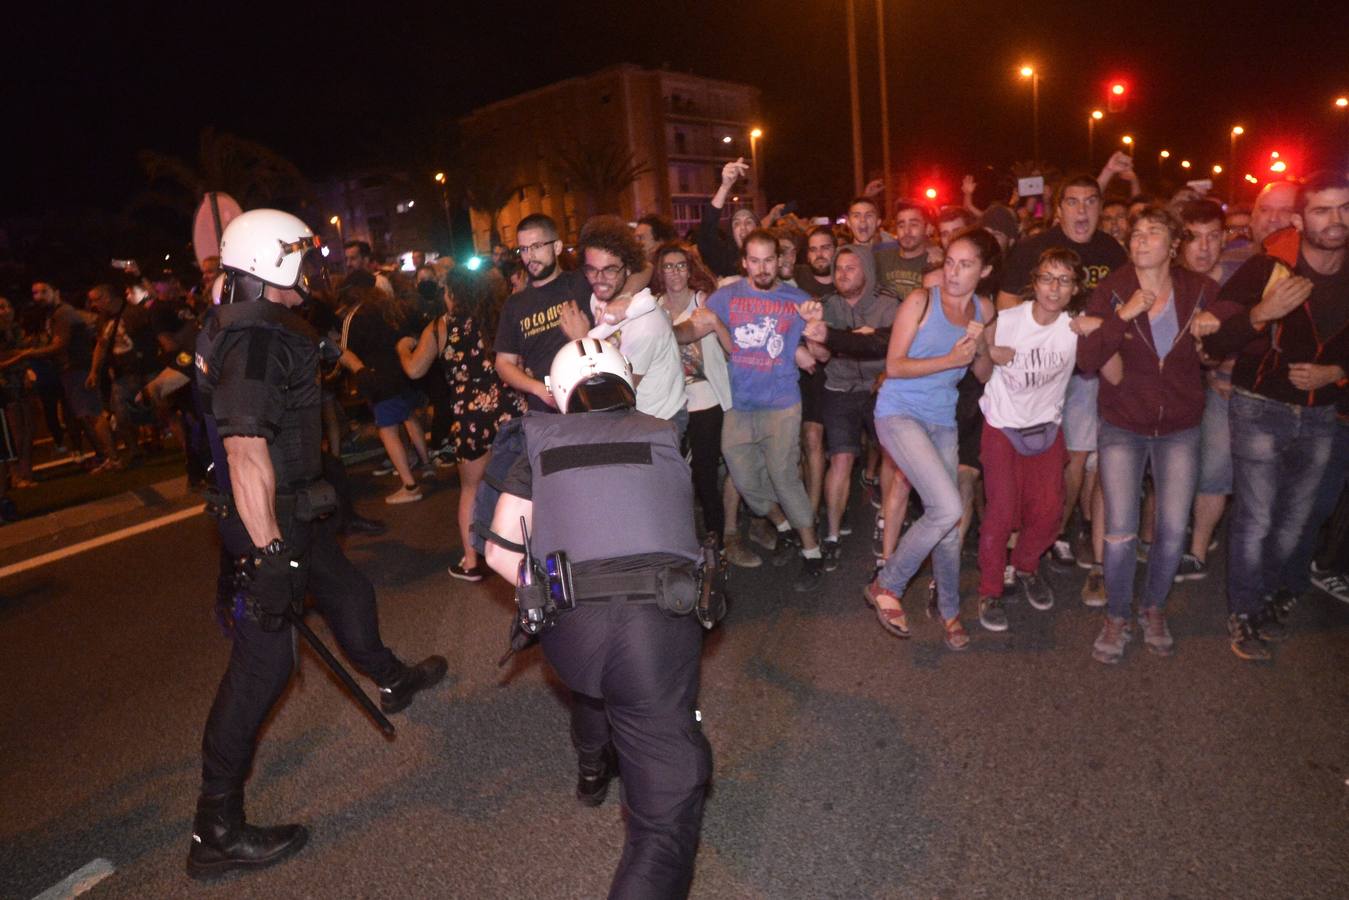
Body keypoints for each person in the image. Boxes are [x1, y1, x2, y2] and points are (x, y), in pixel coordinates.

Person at [188, 209, 445, 879]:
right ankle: (215, 826)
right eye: (298, 258)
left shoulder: (254, 330)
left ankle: (391, 679)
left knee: (348, 591)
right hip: (267, 521)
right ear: (272, 265)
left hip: (290, 516)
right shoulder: (259, 342)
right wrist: (269, 554)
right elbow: (245, 454)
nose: (310, 269)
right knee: (263, 668)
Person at [484, 338, 712, 899]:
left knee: (596, 687)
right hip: (657, 627)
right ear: (627, 385)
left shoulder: (536, 446)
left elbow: (496, 551)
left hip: (574, 632)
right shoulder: (663, 434)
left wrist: (549, 592)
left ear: (562, 395)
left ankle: (592, 766)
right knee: (663, 824)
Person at [1203, 172, 1349, 660]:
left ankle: (1268, 595)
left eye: (1344, 208)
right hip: (1259, 408)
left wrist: (1337, 372)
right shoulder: (1267, 268)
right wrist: (1260, 314)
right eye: (1323, 210)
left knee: (1295, 518)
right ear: (1298, 219)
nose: (1336, 220)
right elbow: (1214, 342)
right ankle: (1243, 612)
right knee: (1258, 516)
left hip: (1322, 414)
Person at [1077, 206, 1220, 664]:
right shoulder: (1114, 288)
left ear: (1173, 244)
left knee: (1173, 529)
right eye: (1135, 233)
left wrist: (1211, 338)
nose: (1139, 240)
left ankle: (1153, 608)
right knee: (1120, 530)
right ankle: (1117, 616)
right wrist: (1123, 316)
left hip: (1180, 426)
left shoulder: (1198, 290)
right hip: (1122, 422)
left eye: (1152, 233)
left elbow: (1229, 338)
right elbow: (1086, 359)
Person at [864, 229, 998, 650]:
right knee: (947, 506)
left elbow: (983, 375)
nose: (952, 273)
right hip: (899, 412)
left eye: (965, 265)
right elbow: (895, 366)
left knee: (947, 522)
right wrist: (950, 358)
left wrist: (978, 348)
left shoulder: (984, 308)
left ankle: (950, 609)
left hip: (942, 419)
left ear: (985, 271)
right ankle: (887, 584)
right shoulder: (920, 300)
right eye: (950, 262)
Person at [998, 174, 1130, 601]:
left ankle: (1050, 531)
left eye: (1091, 202)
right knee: (1030, 458)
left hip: (1087, 372)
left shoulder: (1112, 250)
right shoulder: (1033, 248)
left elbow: (1128, 305)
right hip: (1040, 370)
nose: (1082, 210)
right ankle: (1033, 534)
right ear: (1059, 209)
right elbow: (1004, 303)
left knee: (1076, 456)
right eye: (1072, 202)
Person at [686, 228, 826, 591]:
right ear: (744, 262)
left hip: (782, 404)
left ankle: (812, 552)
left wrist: (814, 326)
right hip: (741, 404)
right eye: (755, 260)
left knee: (784, 477)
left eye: (769, 260)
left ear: (778, 262)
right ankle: (783, 526)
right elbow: (690, 329)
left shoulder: (798, 299)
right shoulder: (726, 297)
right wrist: (655, 328)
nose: (762, 268)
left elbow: (821, 353)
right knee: (746, 480)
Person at [971, 248, 1087, 631]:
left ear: (1074, 289)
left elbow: (1113, 339)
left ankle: (1025, 566)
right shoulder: (1007, 320)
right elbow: (981, 374)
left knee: (1051, 511)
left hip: (1046, 427)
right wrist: (988, 350)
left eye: (1065, 280)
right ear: (1034, 283)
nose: (1054, 288)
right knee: (1002, 511)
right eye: (1047, 278)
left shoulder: (1074, 328)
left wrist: (1098, 326)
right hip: (1003, 425)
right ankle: (990, 589)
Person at [402, 267, 521, 580]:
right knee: (520, 482)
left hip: (471, 415)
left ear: (452, 294)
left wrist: (403, 349)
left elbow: (415, 371)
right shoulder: (498, 318)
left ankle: (471, 561)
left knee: (470, 488)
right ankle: (525, 549)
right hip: (509, 406)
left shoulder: (440, 326)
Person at [816, 246, 898, 568]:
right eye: (839, 268)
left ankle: (889, 523)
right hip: (840, 386)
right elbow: (820, 352)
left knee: (893, 458)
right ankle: (833, 534)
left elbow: (899, 344)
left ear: (866, 270)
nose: (844, 274)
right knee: (841, 458)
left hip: (880, 386)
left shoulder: (888, 303)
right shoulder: (825, 306)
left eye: (851, 267)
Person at [580, 217, 688, 436]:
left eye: (610, 270)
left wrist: (580, 340)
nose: (599, 279)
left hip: (660, 422)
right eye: (592, 269)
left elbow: (615, 394)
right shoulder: (598, 300)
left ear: (628, 269)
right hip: (632, 418)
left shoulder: (645, 323)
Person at [339, 282, 433, 503]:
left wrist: (359, 371)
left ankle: (410, 485)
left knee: (387, 430)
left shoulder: (356, 315)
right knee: (409, 417)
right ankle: (427, 464)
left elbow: (344, 350)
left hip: (378, 378)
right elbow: (420, 329)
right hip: (403, 371)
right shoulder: (394, 308)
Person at [16, 281, 121, 471]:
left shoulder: (63, 313)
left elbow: (60, 345)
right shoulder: (56, 315)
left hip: (77, 369)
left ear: (55, 292)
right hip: (71, 370)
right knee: (87, 415)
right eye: (35, 293)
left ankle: (113, 457)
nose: (38, 296)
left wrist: (28, 353)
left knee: (93, 415)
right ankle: (108, 456)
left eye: (43, 292)